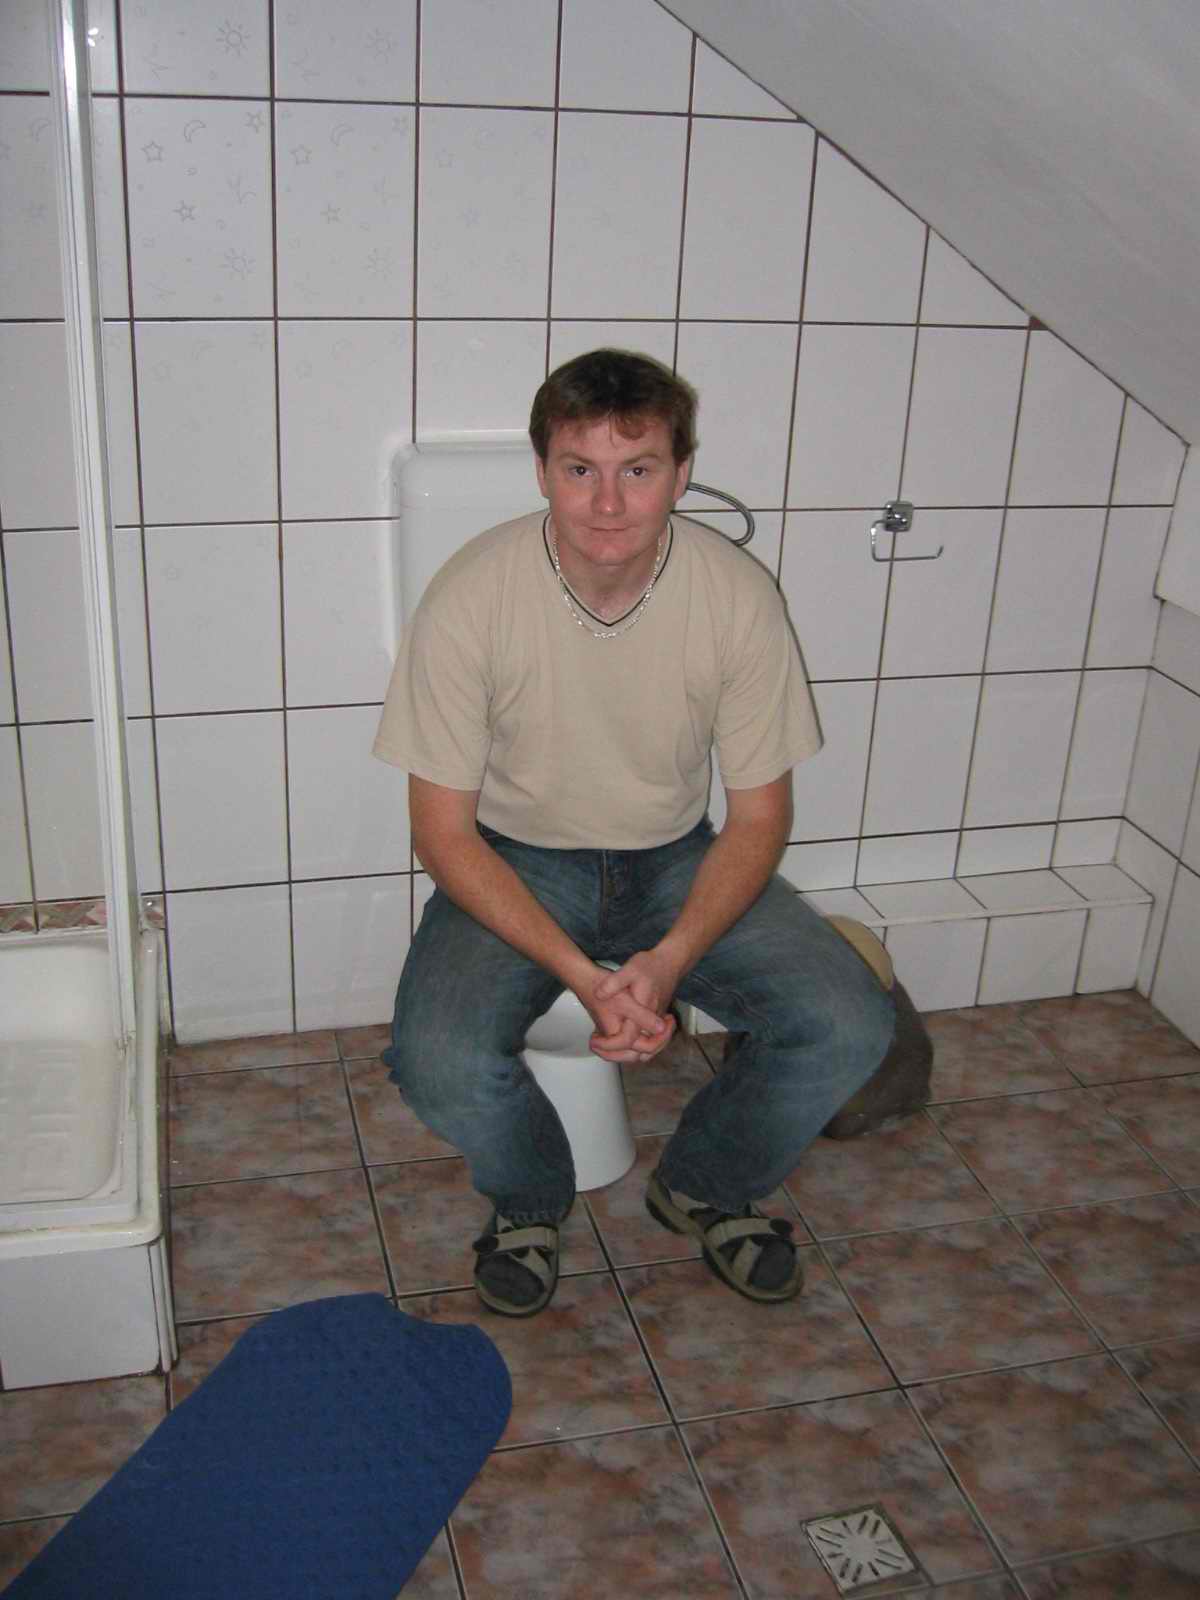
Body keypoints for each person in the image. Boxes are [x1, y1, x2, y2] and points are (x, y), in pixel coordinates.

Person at [373, 348, 895, 1317]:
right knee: (435, 1057)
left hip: (675, 856)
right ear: (542, 472)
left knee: (850, 1022)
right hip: (516, 860)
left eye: (638, 468)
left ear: (681, 474)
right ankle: (529, 1201)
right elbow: (443, 836)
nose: (608, 503)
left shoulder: (736, 596)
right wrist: (585, 974)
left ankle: (705, 1185)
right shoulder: (472, 595)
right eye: (581, 468)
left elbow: (761, 818)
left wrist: (670, 958)